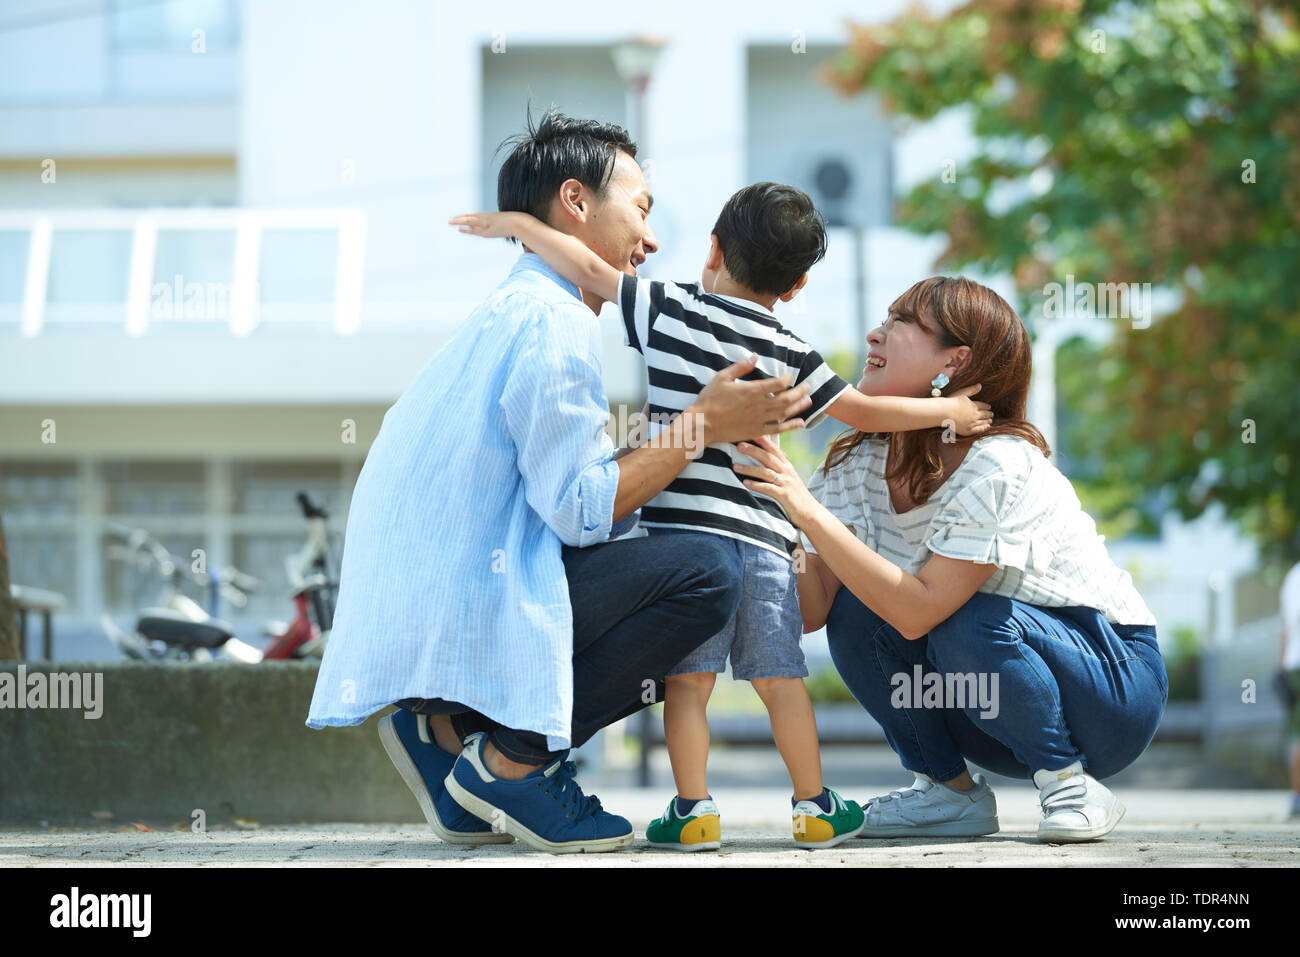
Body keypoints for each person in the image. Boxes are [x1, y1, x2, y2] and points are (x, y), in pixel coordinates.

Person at [305, 110, 817, 855]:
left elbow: (560, 502)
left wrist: (654, 444)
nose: (649, 241)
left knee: (655, 546)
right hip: (469, 609)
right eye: (640, 212)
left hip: (433, 622)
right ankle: (514, 763)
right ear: (576, 203)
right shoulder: (554, 323)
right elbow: (583, 513)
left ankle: (447, 734)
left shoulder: (509, 311)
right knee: (709, 571)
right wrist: (699, 425)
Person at [450, 184, 992, 850]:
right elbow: (865, 411)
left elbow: (587, 267)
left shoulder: (669, 306)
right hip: (766, 544)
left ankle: (694, 809)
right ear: (794, 286)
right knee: (781, 678)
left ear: (714, 248)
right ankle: (814, 805)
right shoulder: (791, 351)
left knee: (689, 684)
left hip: (684, 546)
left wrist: (517, 224)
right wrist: (950, 412)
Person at [728, 275, 1168, 843]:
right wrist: (764, 503)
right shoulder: (853, 465)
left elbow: (922, 612)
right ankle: (947, 792)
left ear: (954, 361)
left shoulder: (1001, 465)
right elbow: (810, 610)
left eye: (900, 323)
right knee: (856, 615)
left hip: (1109, 692)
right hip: (990, 713)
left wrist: (807, 510)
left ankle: (1069, 784)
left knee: (962, 616)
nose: (875, 333)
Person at [1279, 559, 1300, 819]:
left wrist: (1282, 665)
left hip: (1294, 663)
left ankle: (1297, 795)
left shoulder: (1294, 575)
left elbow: (1286, 626)